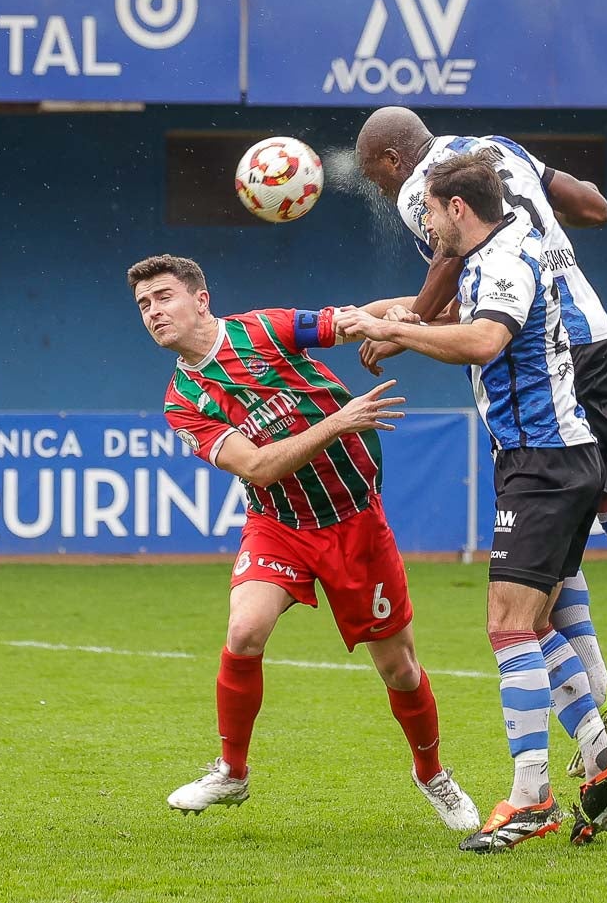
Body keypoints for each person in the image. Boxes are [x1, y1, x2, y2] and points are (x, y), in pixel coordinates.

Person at [355, 107, 607, 770]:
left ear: (391, 162)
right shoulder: (495, 146)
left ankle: (598, 693)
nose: (388, 193)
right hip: (592, 328)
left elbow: (454, 270)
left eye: (376, 177)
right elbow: (592, 206)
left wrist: (405, 326)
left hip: (532, 356)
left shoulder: (426, 188)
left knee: (541, 550)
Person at [335, 151, 607, 853]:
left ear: (457, 210)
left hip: (543, 465)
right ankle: (601, 762)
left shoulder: (503, 262)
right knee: (534, 624)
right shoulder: (493, 250)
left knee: (506, 627)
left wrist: (400, 331)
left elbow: (482, 338)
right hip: (549, 461)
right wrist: (361, 317)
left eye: (430, 214)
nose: (425, 228)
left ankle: (531, 797)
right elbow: (426, 308)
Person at [129, 253, 479, 833]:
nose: (153, 312)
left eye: (163, 297)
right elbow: (259, 467)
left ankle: (432, 773)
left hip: (354, 519)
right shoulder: (182, 403)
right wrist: (337, 422)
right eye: (144, 305)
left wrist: (425, 315)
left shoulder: (266, 329)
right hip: (280, 523)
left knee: (400, 670)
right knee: (244, 630)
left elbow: (355, 319)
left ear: (201, 298)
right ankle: (232, 771)